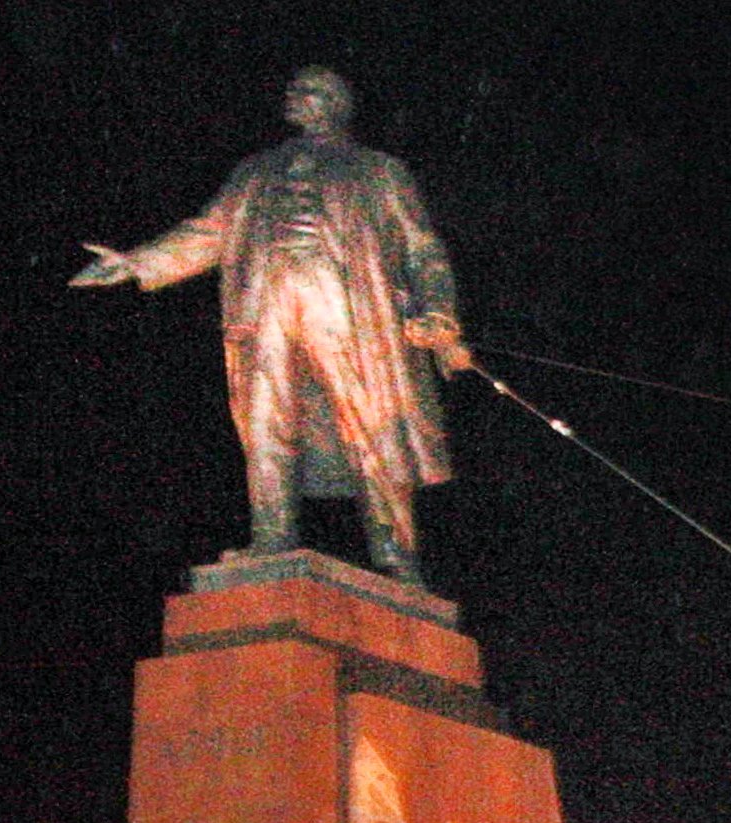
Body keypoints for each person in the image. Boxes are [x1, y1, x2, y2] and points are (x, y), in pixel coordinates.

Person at [72, 68, 473, 581]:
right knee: (266, 420)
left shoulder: (378, 171)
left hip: (348, 311)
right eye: (292, 90)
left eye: (305, 91)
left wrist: (438, 312)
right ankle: (272, 537)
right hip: (266, 306)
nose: (292, 98)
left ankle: (396, 555)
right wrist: (136, 263)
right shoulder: (256, 171)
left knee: (370, 428)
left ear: (335, 103)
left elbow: (423, 249)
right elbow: (208, 231)